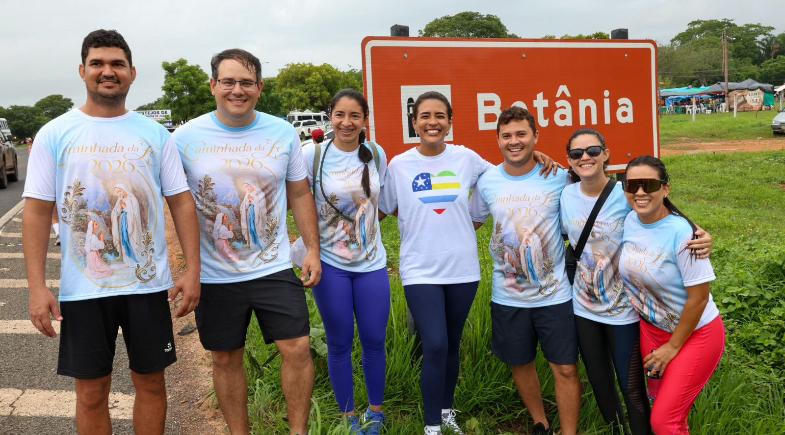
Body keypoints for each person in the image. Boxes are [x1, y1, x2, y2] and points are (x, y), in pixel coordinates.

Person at [22, 29, 201, 435]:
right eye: (98, 63)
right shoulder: (55, 133)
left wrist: (193, 270)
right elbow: (36, 212)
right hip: (82, 291)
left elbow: (181, 202)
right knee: (90, 392)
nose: (108, 71)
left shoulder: (155, 134)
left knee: (151, 383)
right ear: (82, 70)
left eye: (117, 64)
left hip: (147, 286)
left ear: (132, 72)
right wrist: (36, 287)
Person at [379, 93, 557, 435]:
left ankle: (446, 412)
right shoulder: (399, 165)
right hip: (419, 269)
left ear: (449, 121)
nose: (432, 122)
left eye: (440, 115)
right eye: (424, 116)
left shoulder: (467, 158)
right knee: (434, 343)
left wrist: (535, 155)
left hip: (462, 269)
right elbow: (381, 210)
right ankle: (432, 426)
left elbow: (506, 173)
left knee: (451, 343)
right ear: (414, 123)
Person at [172, 48, 321, 435]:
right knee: (225, 358)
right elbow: (172, 202)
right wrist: (188, 269)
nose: (237, 90)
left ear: (259, 87)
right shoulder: (184, 138)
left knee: (297, 348)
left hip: (273, 265)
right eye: (228, 82)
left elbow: (299, 193)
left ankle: (298, 432)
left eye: (246, 83)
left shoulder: (281, 133)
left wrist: (312, 249)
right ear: (213, 85)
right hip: (215, 273)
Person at [560, 128, 713, 435]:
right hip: (583, 306)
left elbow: (666, 214)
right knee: (600, 382)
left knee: (631, 386)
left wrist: (702, 234)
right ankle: (615, 430)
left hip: (625, 310)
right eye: (577, 153)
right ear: (569, 160)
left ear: (606, 154)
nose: (585, 157)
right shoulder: (566, 193)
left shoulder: (627, 192)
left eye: (593, 151)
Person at [468, 106, 577, 435]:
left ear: (535, 137)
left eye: (521, 134)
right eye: (507, 135)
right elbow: (469, 223)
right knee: (520, 362)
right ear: (498, 139)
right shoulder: (487, 181)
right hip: (508, 296)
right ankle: (540, 423)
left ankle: (569, 432)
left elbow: (586, 215)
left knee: (566, 367)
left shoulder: (559, 176)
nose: (514, 141)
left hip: (555, 294)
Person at [300, 88, 389, 435]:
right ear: (330, 117)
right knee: (338, 343)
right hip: (330, 264)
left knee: (374, 340)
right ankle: (348, 416)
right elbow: (299, 201)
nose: (347, 122)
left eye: (355, 116)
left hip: (372, 264)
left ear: (365, 119)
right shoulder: (313, 155)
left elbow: (381, 205)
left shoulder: (376, 154)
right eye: (340, 115)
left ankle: (376, 413)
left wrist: (361, 234)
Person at [619, 155, 724, 435]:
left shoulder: (684, 235)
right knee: (668, 412)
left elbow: (699, 298)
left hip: (694, 334)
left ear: (665, 188)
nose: (640, 192)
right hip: (651, 330)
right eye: (632, 185)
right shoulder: (630, 219)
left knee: (663, 422)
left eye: (650, 184)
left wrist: (672, 347)